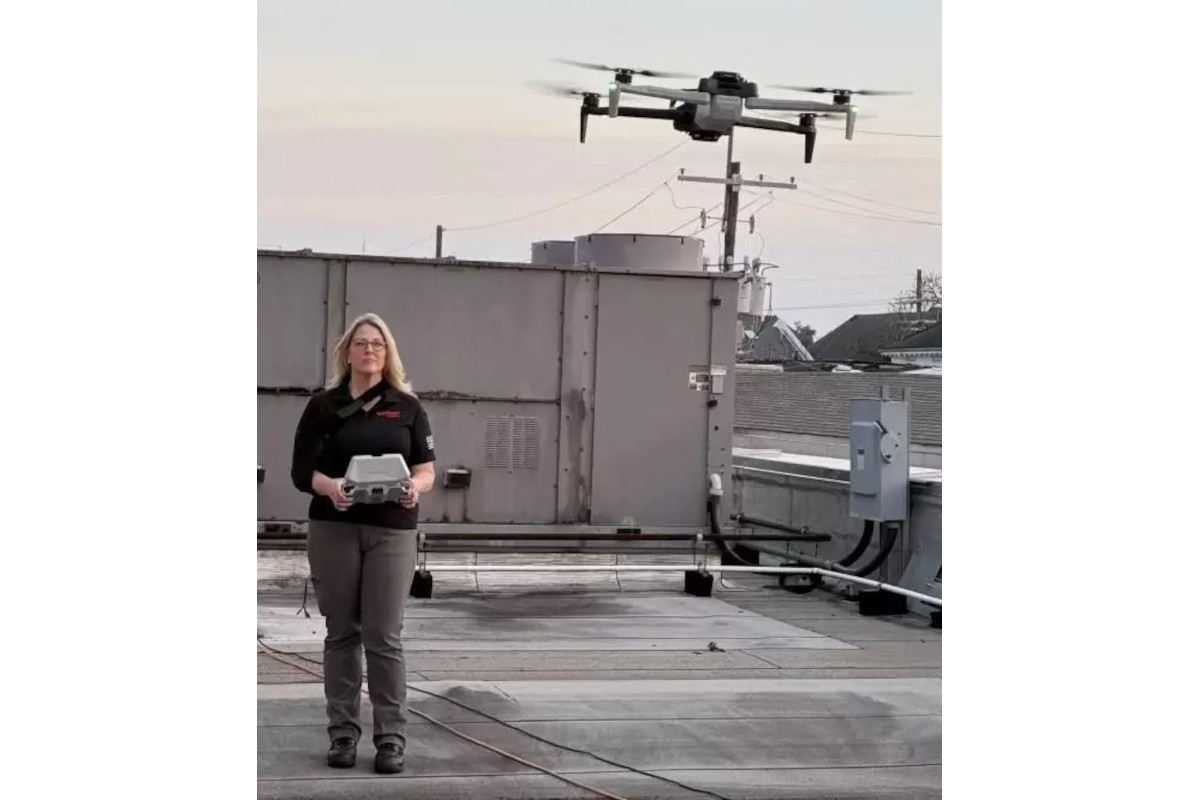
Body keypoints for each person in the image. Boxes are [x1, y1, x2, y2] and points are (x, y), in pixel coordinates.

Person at [290, 312, 436, 775]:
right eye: (360, 343)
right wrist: (330, 487)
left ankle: (391, 737)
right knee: (342, 632)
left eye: (377, 343)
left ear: (387, 352)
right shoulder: (322, 407)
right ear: (346, 352)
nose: (369, 350)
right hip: (334, 528)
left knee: (384, 635)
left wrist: (417, 487)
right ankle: (342, 735)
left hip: (392, 529)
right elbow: (300, 474)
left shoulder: (408, 407)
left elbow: (427, 467)